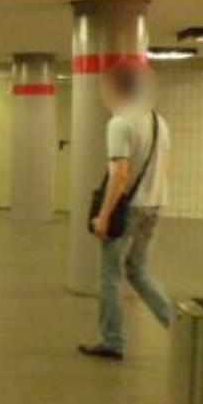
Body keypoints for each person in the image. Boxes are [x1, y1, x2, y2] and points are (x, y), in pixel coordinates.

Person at [79, 64, 174, 361]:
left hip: (128, 208)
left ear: (116, 88)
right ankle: (179, 327)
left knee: (109, 276)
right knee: (138, 271)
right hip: (154, 204)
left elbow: (120, 173)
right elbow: (167, 165)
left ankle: (112, 341)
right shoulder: (159, 122)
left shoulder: (120, 123)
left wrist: (104, 216)